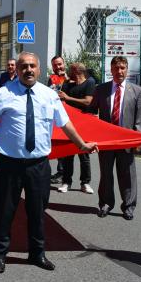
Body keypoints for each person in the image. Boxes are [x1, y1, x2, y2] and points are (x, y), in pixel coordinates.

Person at [0, 52, 99, 274]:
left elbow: (65, 124)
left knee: (38, 212)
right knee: (6, 211)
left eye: (32, 66)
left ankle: (37, 253)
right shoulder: (3, 93)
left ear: (39, 68)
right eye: (24, 66)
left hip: (39, 165)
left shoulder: (49, 95)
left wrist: (81, 144)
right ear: (19, 69)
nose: (28, 70)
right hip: (10, 165)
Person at [88, 56, 141, 220]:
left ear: (127, 69)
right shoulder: (101, 89)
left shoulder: (137, 91)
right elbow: (92, 112)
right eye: (116, 68)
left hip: (126, 141)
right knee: (106, 174)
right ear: (111, 70)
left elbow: (139, 120)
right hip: (106, 141)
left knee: (127, 174)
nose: (119, 71)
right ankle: (105, 204)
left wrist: (139, 141)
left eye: (122, 68)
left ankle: (128, 206)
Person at [56, 63, 97, 194]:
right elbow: (62, 100)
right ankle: (66, 182)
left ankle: (85, 183)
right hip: (70, 123)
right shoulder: (68, 84)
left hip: (84, 124)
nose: (68, 70)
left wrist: (68, 98)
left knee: (84, 154)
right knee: (68, 154)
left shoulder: (90, 82)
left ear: (77, 71)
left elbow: (88, 101)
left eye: (71, 69)